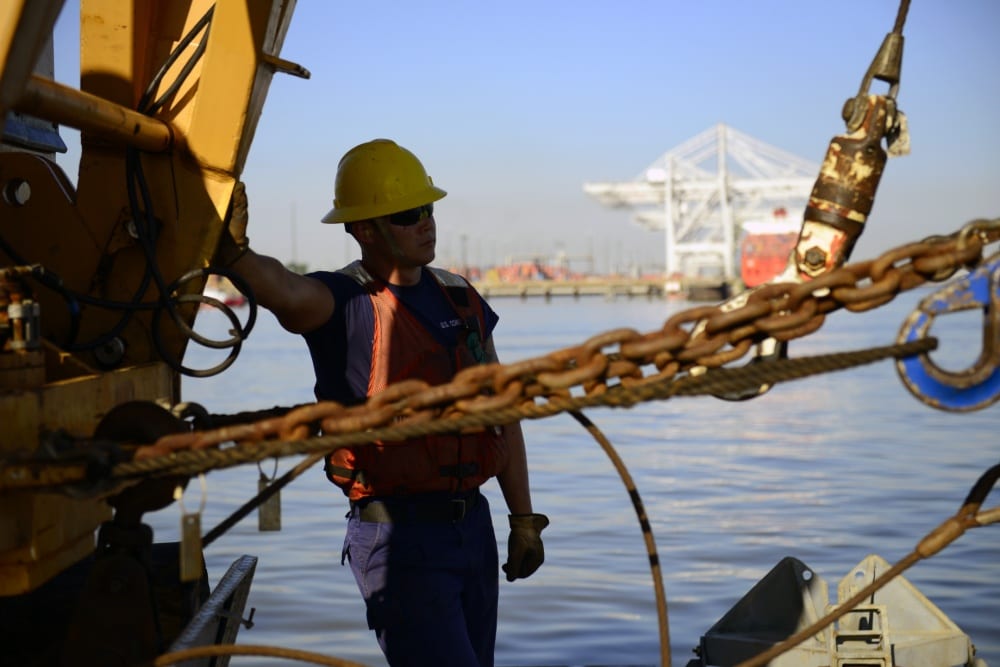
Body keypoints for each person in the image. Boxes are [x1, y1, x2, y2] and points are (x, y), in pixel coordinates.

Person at [218, 138, 549, 667]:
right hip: (400, 538)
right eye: (407, 215)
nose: (426, 223)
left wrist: (523, 518)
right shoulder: (345, 301)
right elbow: (285, 291)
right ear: (364, 229)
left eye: (428, 208)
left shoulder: (459, 296)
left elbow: (503, 413)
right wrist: (234, 254)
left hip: (473, 528)